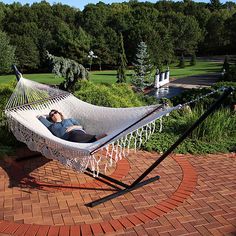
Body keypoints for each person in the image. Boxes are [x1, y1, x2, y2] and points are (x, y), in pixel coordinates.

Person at [38, 109, 106, 143]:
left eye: (55, 112)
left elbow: (81, 126)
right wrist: (47, 116)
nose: (54, 115)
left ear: (59, 113)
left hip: (77, 132)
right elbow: (40, 117)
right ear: (51, 118)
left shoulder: (69, 120)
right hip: (68, 140)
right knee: (73, 135)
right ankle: (95, 139)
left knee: (74, 133)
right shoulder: (51, 126)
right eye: (51, 115)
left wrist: (73, 127)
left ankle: (94, 139)